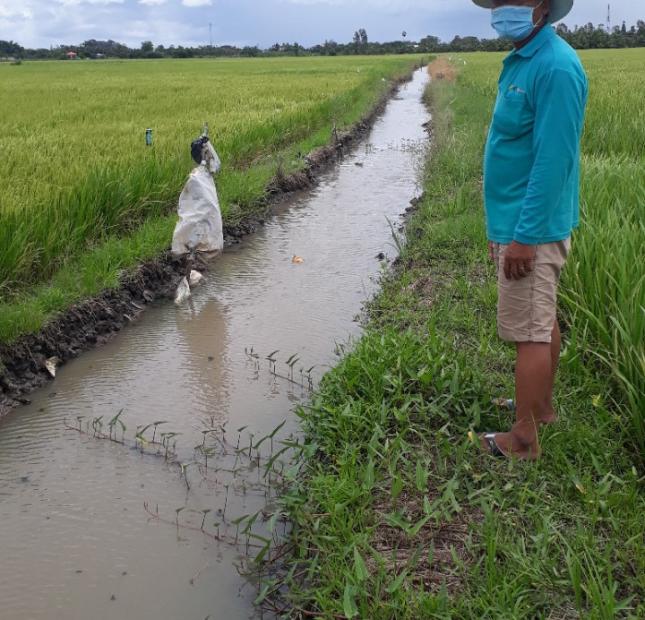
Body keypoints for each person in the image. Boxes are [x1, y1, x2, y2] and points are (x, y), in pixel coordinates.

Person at [471, 0, 588, 459]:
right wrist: (502, 229)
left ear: (540, 5)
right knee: (542, 318)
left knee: (529, 331)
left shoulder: (556, 67)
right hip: (516, 222)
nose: (499, 8)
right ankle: (538, 410)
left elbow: (553, 161)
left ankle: (522, 440)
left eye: (509, 0)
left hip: (531, 228)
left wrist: (523, 237)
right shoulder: (526, 56)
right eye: (496, 1)